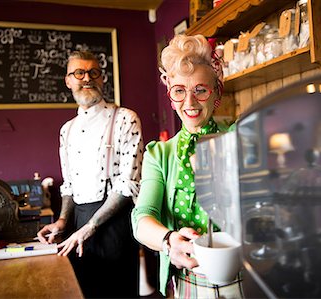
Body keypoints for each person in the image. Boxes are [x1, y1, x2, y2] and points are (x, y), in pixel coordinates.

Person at [131, 34, 243, 299]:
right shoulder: (159, 154)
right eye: (179, 90)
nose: (190, 103)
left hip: (245, 274)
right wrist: (169, 241)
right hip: (189, 279)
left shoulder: (240, 136)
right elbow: (142, 217)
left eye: (200, 90)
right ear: (170, 95)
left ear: (216, 91)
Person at [37, 50, 144, 298]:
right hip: (78, 224)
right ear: (68, 81)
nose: (87, 78)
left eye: (93, 72)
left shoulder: (125, 119)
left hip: (115, 225)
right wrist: (63, 221)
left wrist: (90, 226)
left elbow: (128, 184)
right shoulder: (67, 130)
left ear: (102, 78)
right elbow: (69, 186)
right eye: (79, 72)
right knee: (84, 291)